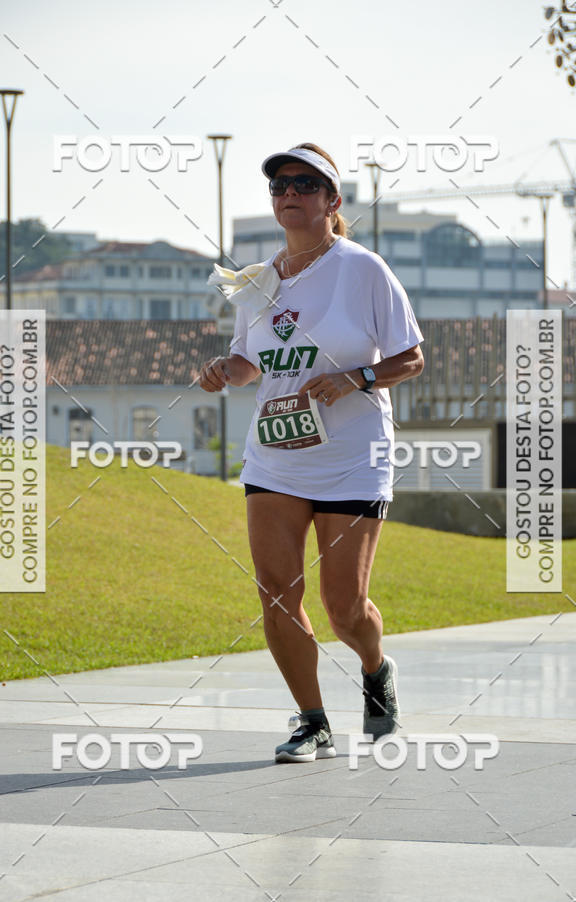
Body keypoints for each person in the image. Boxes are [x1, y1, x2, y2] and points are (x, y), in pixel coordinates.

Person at [200, 142, 424, 763]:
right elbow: (251, 363)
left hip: (353, 455)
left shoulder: (364, 269)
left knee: (344, 609)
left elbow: (412, 357)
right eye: (279, 186)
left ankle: (375, 668)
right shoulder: (258, 282)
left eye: (304, 183)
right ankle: (313, 722)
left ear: (333, 200)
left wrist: (356, 378)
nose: (289, 193)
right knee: (276, 592)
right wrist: (227, 369)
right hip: (275, 454)